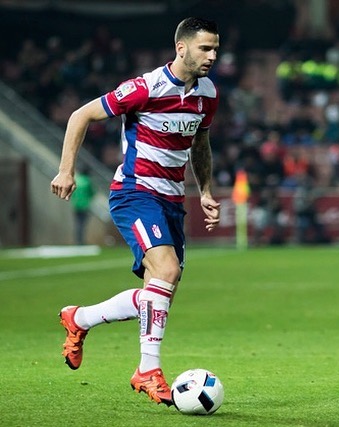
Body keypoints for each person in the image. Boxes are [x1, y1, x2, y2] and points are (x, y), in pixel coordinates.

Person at [50, 17, 221, 407]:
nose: (212, 56)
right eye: (204, 48)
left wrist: (206, 190)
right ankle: (147, 371)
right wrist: (66, 169)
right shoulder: (146, 87)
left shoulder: (207, 93)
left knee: (157, 296)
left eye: (215, 49)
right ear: (182, 48)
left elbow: (201, 142)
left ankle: (78, 319)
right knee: (166, 272)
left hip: (172, 200)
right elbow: (81, 115)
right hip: (135, 193)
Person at [71, 166, 95, 245]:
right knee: (82, 224)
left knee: (77, 224)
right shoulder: (87, 181)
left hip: (76, 205)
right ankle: (81, 241)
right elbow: (92, 193)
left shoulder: (76, 180)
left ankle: (77, 240)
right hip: (84, 205)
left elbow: (73, 193)